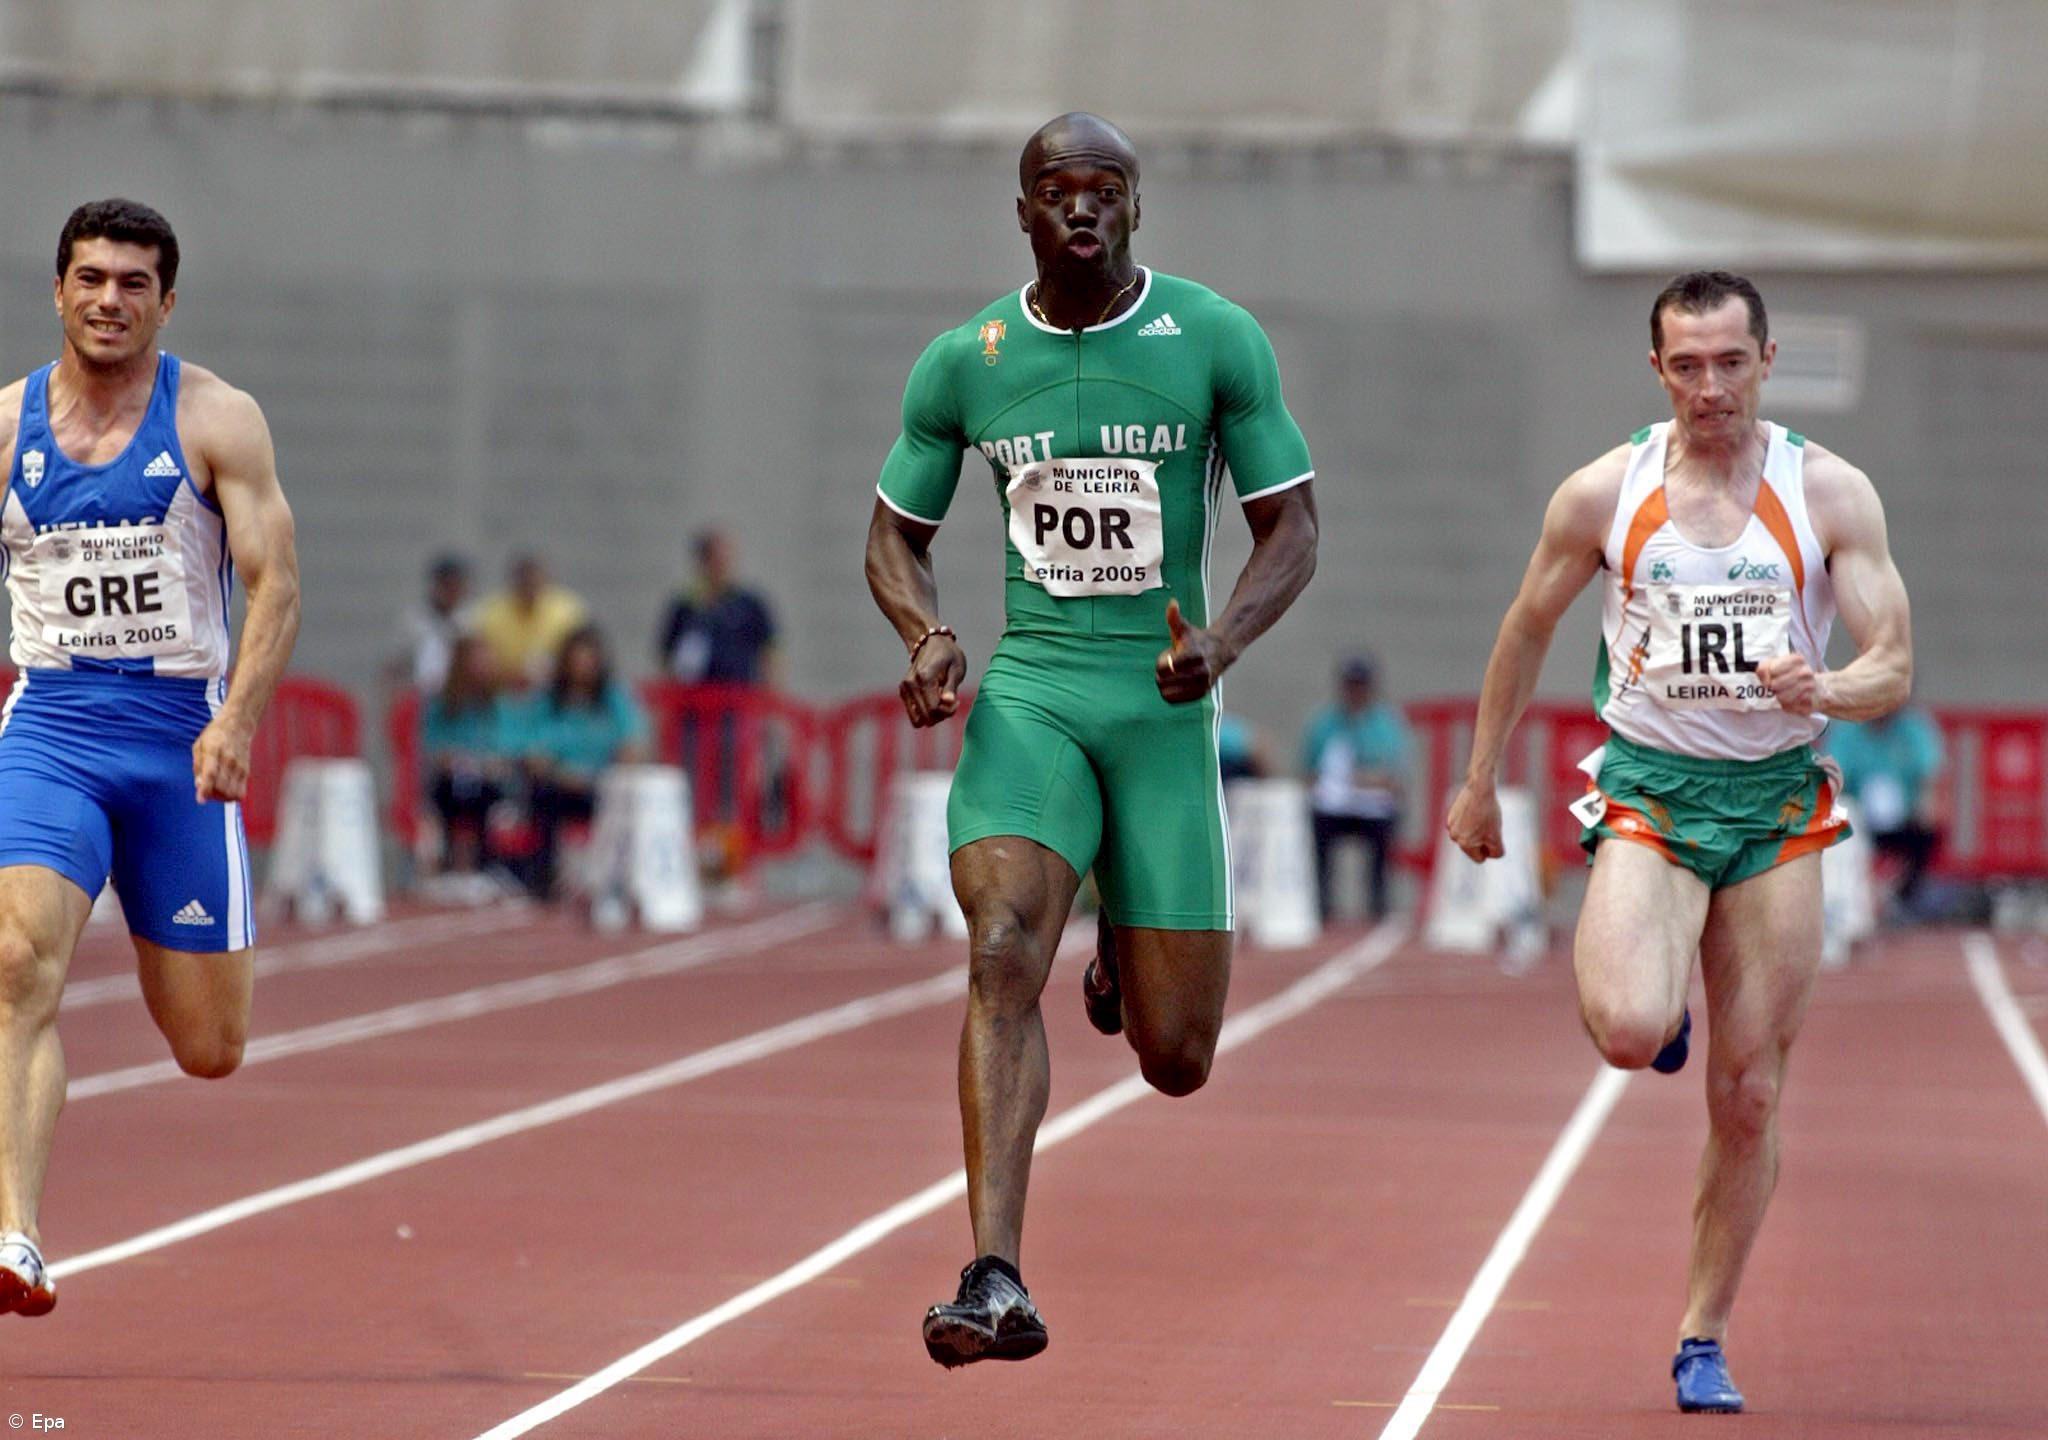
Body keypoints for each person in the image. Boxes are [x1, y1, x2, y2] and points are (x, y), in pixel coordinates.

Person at [864, 112, 1319, 1367]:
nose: (1081, 209)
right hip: (1036, 692)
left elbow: (1292, 526)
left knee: (1174, 1060)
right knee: (1003, 944)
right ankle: (992, 1274)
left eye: (1104, 191)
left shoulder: (1213, 340)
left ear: (1135, 209)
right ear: (1021, 212)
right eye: (1057, 192)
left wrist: (1219, 642)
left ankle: (1123, 936)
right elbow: (893, 533)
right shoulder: (966, 360)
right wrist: (924, 635)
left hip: (1164, 701)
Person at [1445, 271, 1912, 1413]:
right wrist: (1476, 784)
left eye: (1728, 362)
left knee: (1747, 1093)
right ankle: (1659, 1000)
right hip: (1651, 793)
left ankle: (1701, 1333)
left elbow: (1891, 662)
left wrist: (1830, 687)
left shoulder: (1829, 493)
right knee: (1626, 1030)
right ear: (1655, 370)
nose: (1709, 386)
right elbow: (1525, 626)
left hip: (1775, 805)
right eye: (1686, 365)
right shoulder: (1605, 492)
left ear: (1765, 360)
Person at [0, 199, 301, 1316]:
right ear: (59, 290)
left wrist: (237, 721)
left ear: (166, 302)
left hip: (177, 736)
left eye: (133, 283)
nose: (109, 300)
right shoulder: (8, 426)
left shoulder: (219, 420)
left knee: (209, 1045)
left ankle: (144, 902)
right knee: (16, 963)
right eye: (90, 278)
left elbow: (274, 583)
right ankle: (16, 1237)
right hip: (53, 729)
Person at [513, 624, 649, 899]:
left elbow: (633, 744)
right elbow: (531, 751)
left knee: (622, 798)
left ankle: (617, 880)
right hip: (559, 783)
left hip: (601, 784)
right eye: (577, 661)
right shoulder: (548, 701)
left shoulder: (614, 699)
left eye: (588, 661)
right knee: (541, 795)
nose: (582, 668)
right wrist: (557, 770)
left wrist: (613, 767)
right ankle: (543, 878)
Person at [1301, 655, 1413, 921]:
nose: (1355, 692)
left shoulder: (1387, 724)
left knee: (1384, 830)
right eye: (1351, 685)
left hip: (1372, 809)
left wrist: (1361, 779)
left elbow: (1397, 780)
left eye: (1360, 685)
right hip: (1333, 808)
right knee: (1316, 826)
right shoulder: (1323, 723)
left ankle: (1378, 905)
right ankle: (1322, 906)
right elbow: (1307, 773)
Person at [1826, 704, 1946, 918]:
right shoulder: (1847, 731)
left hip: (1905, 818)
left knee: (1930, 831)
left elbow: (1930, 774)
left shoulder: (1915, 728)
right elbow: (1833, 778)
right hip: (1858, 817)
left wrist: (1928, 808)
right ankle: (1851, 903)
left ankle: (1903, 897)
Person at [421, 631, 520, 878]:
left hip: (492, 785)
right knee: (447, 791)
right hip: (454, 782)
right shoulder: (442, 706)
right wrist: (455, 760)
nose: (480, 669)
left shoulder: (500, 705)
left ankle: (486, 866)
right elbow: (433, 748)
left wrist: (489, 764)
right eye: (474, 661)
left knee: (485, 794)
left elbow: (508, 751)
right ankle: (446, 865)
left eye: (485, 661)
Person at [655, 528, 779, 686]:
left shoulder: (751, 605)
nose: (723, 567)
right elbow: (667, 656)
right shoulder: (684, 606)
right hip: (693, 699)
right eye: (717, 560)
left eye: (727, 559)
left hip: (739, 697)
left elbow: (770, 654)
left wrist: (770, 692)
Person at [474, 552, 587, 689]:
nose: (530, 589)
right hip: (504, 693)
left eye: (535, 583)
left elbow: (584, 658)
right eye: (525, 583)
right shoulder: (490, 613)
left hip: (558, 693)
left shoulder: (569, 612)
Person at [388, 551, 473, 694]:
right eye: (447, 584)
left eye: (456, 585)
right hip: (420, 697)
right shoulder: (413, 621)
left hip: (459, 700)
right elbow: (395, 666)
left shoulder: (470, 620)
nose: (452, 590)